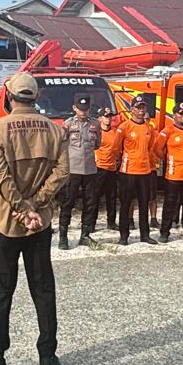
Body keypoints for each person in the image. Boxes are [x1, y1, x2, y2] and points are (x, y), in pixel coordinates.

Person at [0, 72, 69, 365]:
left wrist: (20, 206)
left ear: (10, 96)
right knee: (43, 290)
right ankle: (47, 358)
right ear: (36, 97)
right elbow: (62, 172)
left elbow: (0, 179)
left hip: (6, 221)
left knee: (1, 292)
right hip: (39, 223)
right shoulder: (54, 130)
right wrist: (37, 204)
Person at [153, 102, 183, 242]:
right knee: (170, 205)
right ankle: (165, 232)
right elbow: (158, 149)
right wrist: (168, 159)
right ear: (174, 115)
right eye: (180, 114)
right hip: (173, 175)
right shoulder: (167, 131)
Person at [58, 93, 101, 250]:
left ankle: (85, 234)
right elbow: (61, 145)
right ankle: (63, 236)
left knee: (90, 203)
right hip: (73, 169)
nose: (84, 112)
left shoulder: (95, 124)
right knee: (68, 202)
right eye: (81, 109)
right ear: (74, 108)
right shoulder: (68, 124)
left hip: (89, 169)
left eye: (86, 109)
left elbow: (97, 144)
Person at [117, 95, 158, 246]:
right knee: (126, 204)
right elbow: (116, 148)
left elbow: (151, 148)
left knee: (144, 203)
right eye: (138, 108)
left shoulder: (149, 128)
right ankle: (124, 235)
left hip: (145, 171)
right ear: (131, 109)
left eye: (143, 108)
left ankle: (145, 234)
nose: (141, 111)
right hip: (128, 171)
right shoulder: (124, 127)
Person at [89, 106, 121, 244]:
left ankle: (111, 222)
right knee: (94, 197)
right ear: (100, 118)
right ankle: (91, 223)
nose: (109, 119)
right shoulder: (96, 132)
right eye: (106, 116)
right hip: (99, 168)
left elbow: (119, 148)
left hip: (112, 168)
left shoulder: (115, 132)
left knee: (112, 197)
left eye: (110, 116)